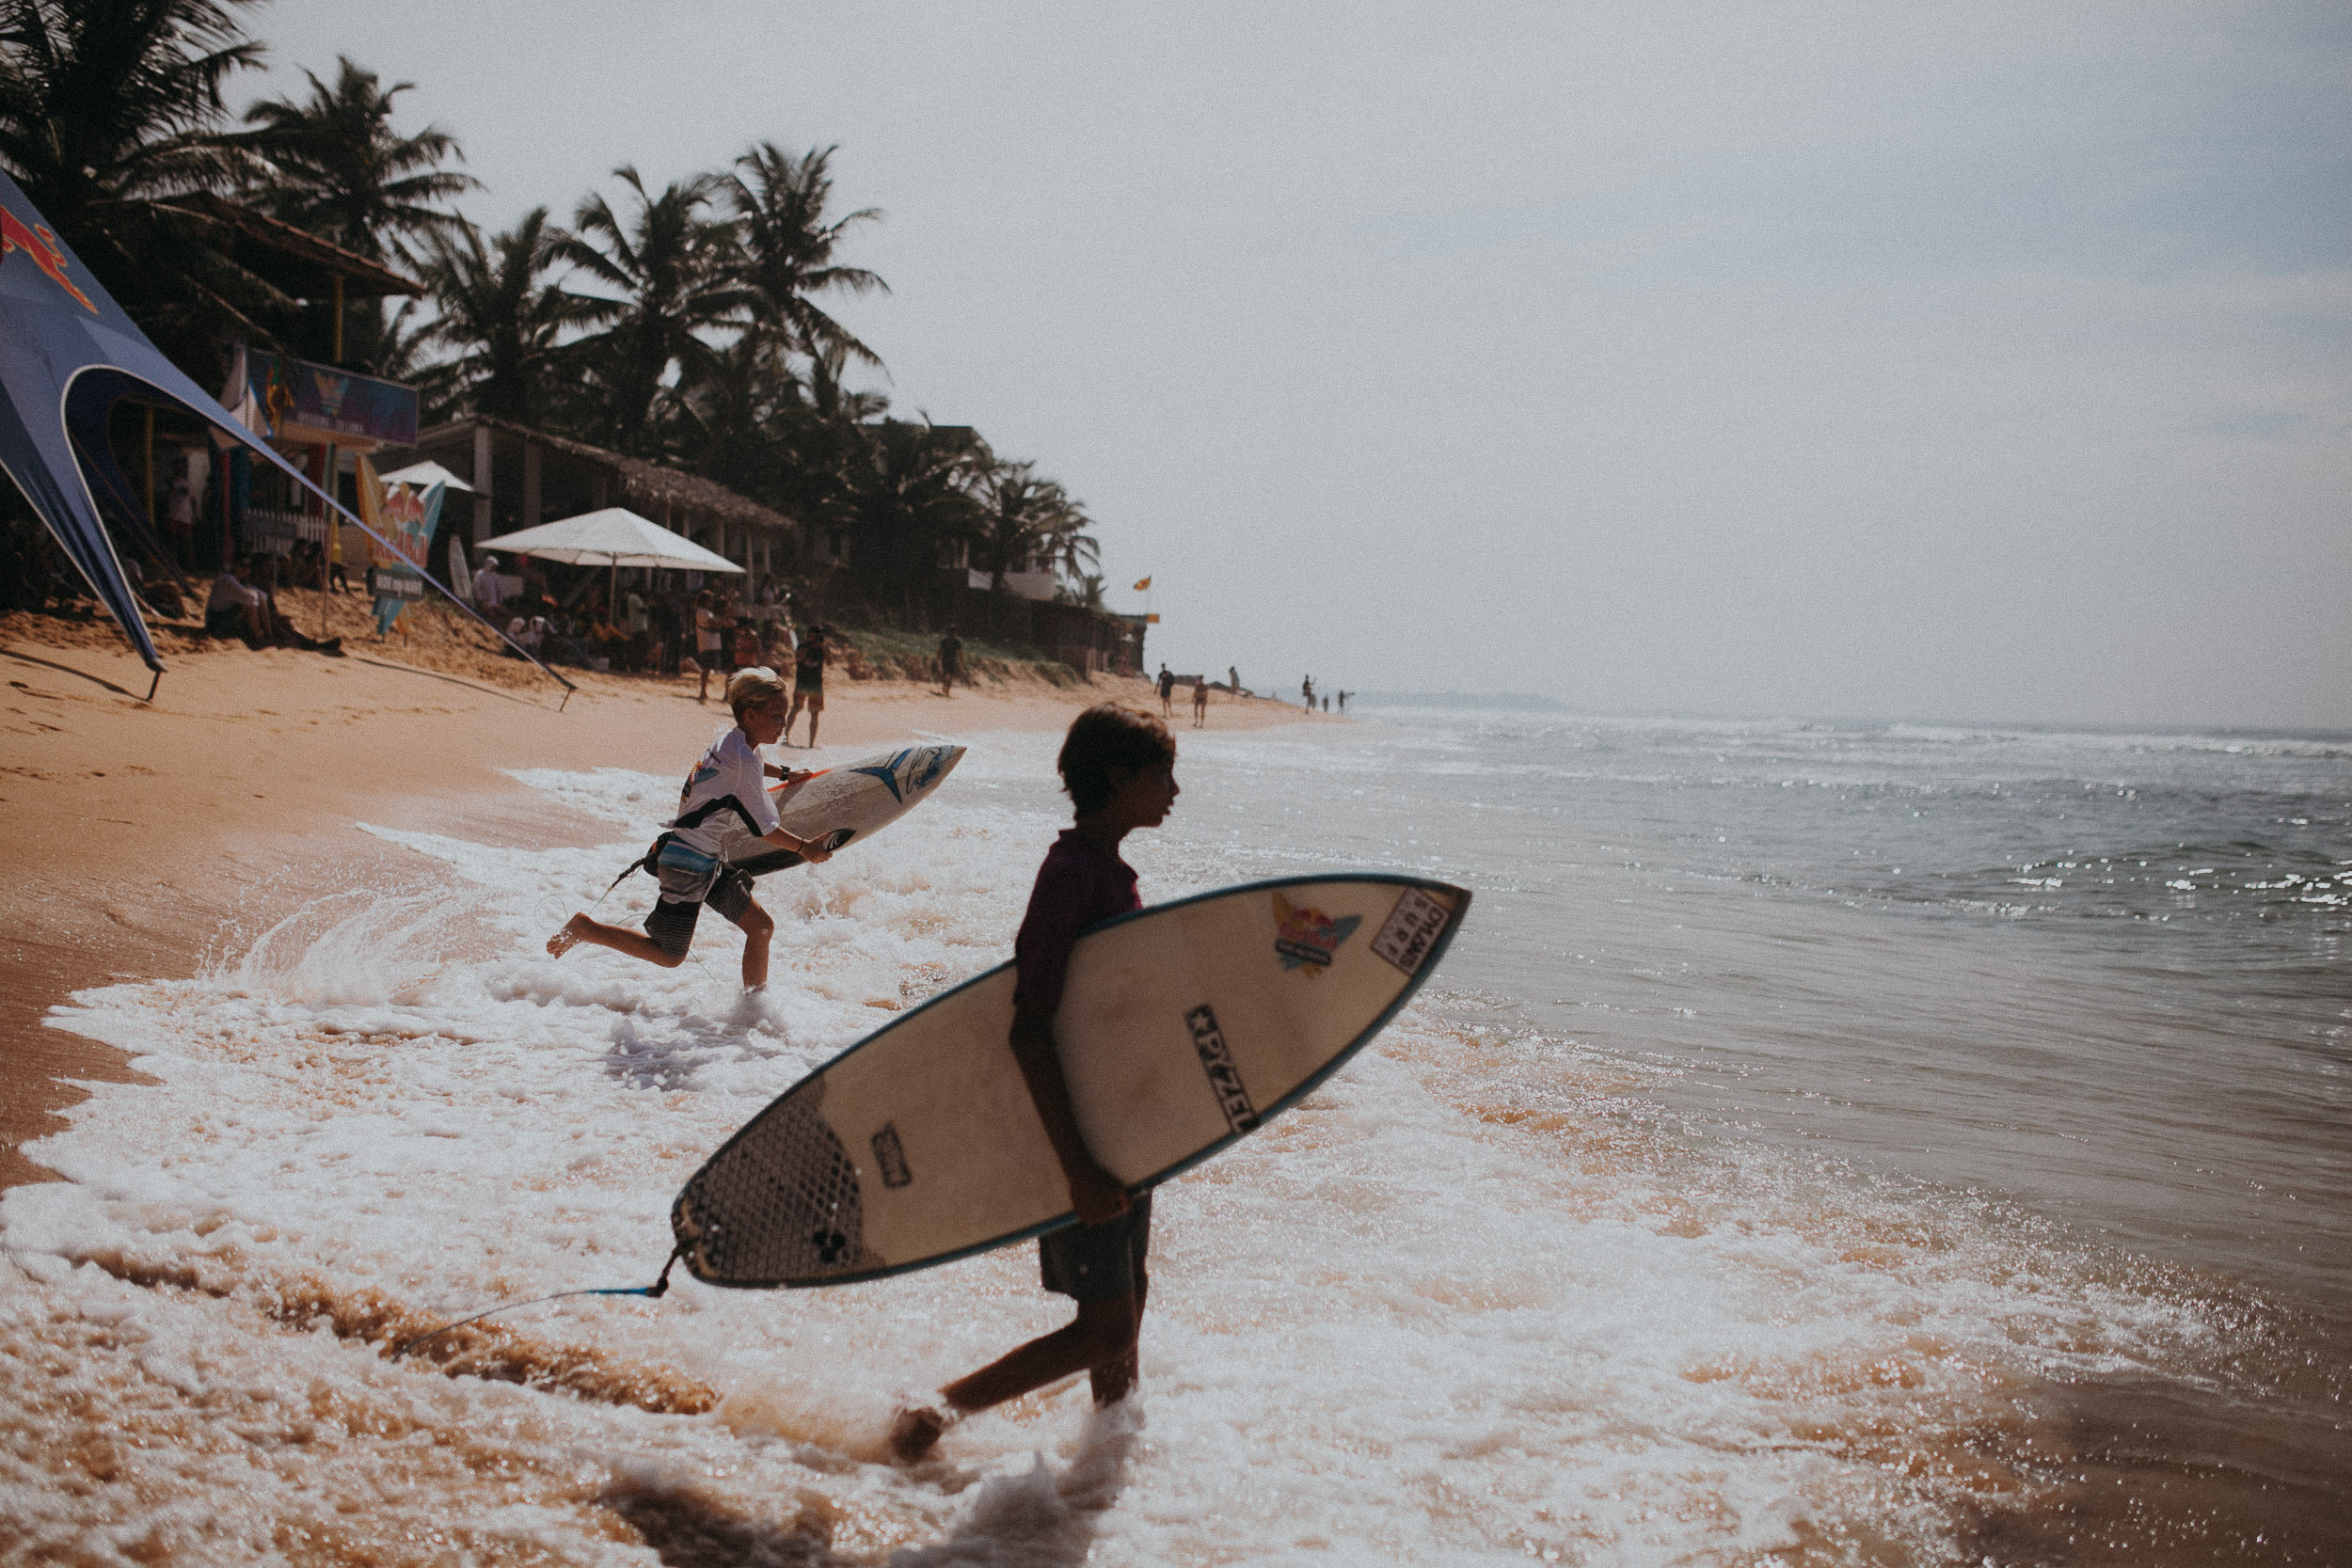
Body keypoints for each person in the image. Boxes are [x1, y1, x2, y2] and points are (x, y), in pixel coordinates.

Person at [890, 705, 1179, 1463]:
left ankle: (1110, 1462)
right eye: (1162, 774)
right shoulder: (1071, 875)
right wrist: (1076, 1166)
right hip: (1075, 1135)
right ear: (1119, 778)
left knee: (1129, 1304)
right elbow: (1029, 1026)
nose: (1175, 791)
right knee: (1106, 1326)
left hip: (1117, 1132)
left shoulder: (1108, 871)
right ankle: (930, 1417)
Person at [548, 667, 832, 987]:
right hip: (687, 867)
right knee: (670, 956)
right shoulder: (743, 759)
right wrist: (805, 848)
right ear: (751, 716)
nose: (783, 724)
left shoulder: (730, 741)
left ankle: (753, 1009)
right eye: (777, 717)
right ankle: (587, 928)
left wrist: (782, 773)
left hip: (702, 859)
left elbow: (746, 768)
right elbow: (764, 830)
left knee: (761, 927)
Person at [204, 559, 266, 643]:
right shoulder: (227, 579)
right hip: (215, 622)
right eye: (242, 566)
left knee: (254, 602)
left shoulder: (238, 580)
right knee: (250, 605)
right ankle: (259, 636)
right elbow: (252, 598)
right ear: (234, 566)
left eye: (248, 566)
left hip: (222, 616)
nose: (245, 569)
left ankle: (265, 634)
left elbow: (263, 596)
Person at [786, 625, 828, 748]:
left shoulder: (822, 648)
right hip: (803, 682)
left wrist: (822, 647)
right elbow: (798, 659)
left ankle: (811, 743)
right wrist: (809, 647)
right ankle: (785, 736)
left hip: (815, 684)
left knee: (815, 713)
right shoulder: (803, 646)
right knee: (796, 708)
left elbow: (829, 661)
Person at [694, 591, 725, 702]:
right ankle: (703, 691)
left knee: (707, 668)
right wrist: (724, 618)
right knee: (706, 668)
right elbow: (715, 625)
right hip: (708, 643)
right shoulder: (703, 612)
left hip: (710, 643)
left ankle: (703, 691)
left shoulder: (705, 612)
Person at [937, 625, 963, 697]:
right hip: (953, 659)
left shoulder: (944, 640)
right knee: (951, 675)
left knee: (945, 673)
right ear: (955, 632)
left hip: (945, 658)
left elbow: (940, 651)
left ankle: (944, 686)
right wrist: (962, 662)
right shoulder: (957, 641)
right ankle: (948, 691)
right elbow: (960, 653)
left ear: (948, 631)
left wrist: (937, 659)